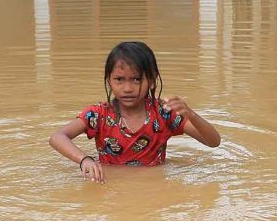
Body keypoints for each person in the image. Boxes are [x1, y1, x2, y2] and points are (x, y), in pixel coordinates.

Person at [49, 41, 221, 183]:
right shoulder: (99, 114)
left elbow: (213, 142)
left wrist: (191, 114)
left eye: (136, 79)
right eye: (119, 80)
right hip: (110, 189)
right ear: (109, 81)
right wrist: (84, 159)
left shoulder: (163, 113)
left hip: (153, 189)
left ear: (152, 81)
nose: (128, 88)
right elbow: (57, 137)